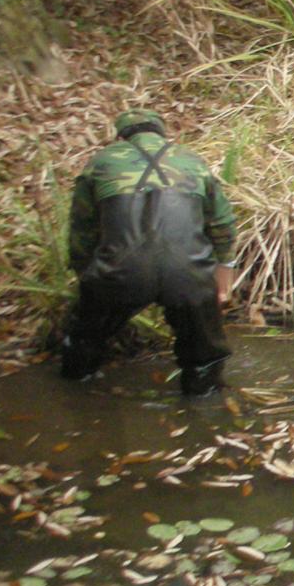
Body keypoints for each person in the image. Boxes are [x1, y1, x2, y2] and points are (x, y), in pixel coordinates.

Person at [60, 109, 237, 395]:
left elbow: (82, 228)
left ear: (120, 136)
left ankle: (75, 390)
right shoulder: (192, 161)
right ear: (162, 132)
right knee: (205, 354)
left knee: (85, 339)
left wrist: (85, 274)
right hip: (188, 273)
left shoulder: (100, 162)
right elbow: (222, 223)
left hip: (120, 271)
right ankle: (203, 408)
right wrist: (225, 266)